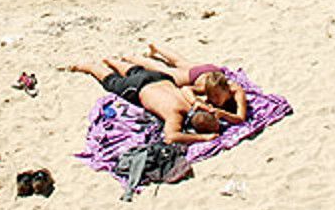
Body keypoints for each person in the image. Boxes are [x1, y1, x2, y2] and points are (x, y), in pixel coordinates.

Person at [67, 58, 222, 145]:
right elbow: (171, 137)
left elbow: (189, 90)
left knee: (136, 71)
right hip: (139, 88)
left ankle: (112, 60)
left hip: (161, 79)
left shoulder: (191, 101)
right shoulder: (176, 116)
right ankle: (89, 66)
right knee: (112, 82)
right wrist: (203, 138)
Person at [117, 43, 250, 126]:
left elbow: (240, 118)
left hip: (208, 70)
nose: (214, 99)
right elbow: (186, 89)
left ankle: (156, 47)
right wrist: (195, 101)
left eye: (216, 95)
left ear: (226, 89)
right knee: (164, 71)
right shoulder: (207, 87)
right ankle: (131, 58)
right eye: (212, 96)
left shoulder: (237, 91)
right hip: (196, 75)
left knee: (181, 62)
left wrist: (224, 114)